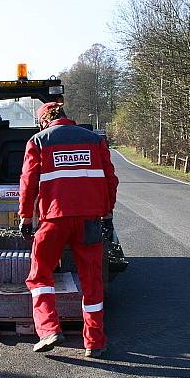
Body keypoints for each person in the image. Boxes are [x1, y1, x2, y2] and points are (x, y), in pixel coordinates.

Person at [18, 102, 118, 358]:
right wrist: (107, 213)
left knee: (39, 275)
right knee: (92, 281)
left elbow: (28, 183)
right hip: (89, 220)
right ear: (65, 116)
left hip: (54, 219)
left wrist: (26, 217)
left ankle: (49, 329)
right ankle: (94, 342)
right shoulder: (94, 140)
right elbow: (110, 179)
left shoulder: (38, 141)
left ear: (43, 121)